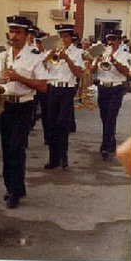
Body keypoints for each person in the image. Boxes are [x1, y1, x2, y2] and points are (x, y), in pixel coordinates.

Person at [0, 15, 47, 208]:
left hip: (24, 105)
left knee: (16, 147)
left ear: (26, 35)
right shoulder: (2, 56)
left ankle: (15, 190)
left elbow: (42, 86)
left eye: (18, 32)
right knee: (7, 148)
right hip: (6, 104)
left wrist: (18, 77)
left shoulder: (35, 56)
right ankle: (13, 186)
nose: (13, 36)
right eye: (12, 31)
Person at [44, 24, 84, 170]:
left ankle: (63, 157)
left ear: (71, 37)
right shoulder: (52, 51)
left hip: (67, 90)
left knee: (62, 124)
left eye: (66, 36)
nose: (63, 39)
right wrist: (47, 58)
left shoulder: (77, 53)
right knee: (51, 124)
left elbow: (78, 74)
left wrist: (67, 58)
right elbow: (44, 68)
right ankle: (53, 159)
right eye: (60, 36)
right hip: (53, 88)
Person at [90, 30, 130, 160]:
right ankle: (111, 141)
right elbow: (91, 71)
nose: (111, 42)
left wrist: (114, 61)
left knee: (110, 118)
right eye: (109, 39)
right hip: (102, 87)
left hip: (116, 88)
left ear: (119, 41)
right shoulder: (103, 52)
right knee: (104, 117)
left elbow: (127, 72)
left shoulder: (124, 54)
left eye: (114, 39)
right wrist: (96, 60)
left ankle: (105, 146)